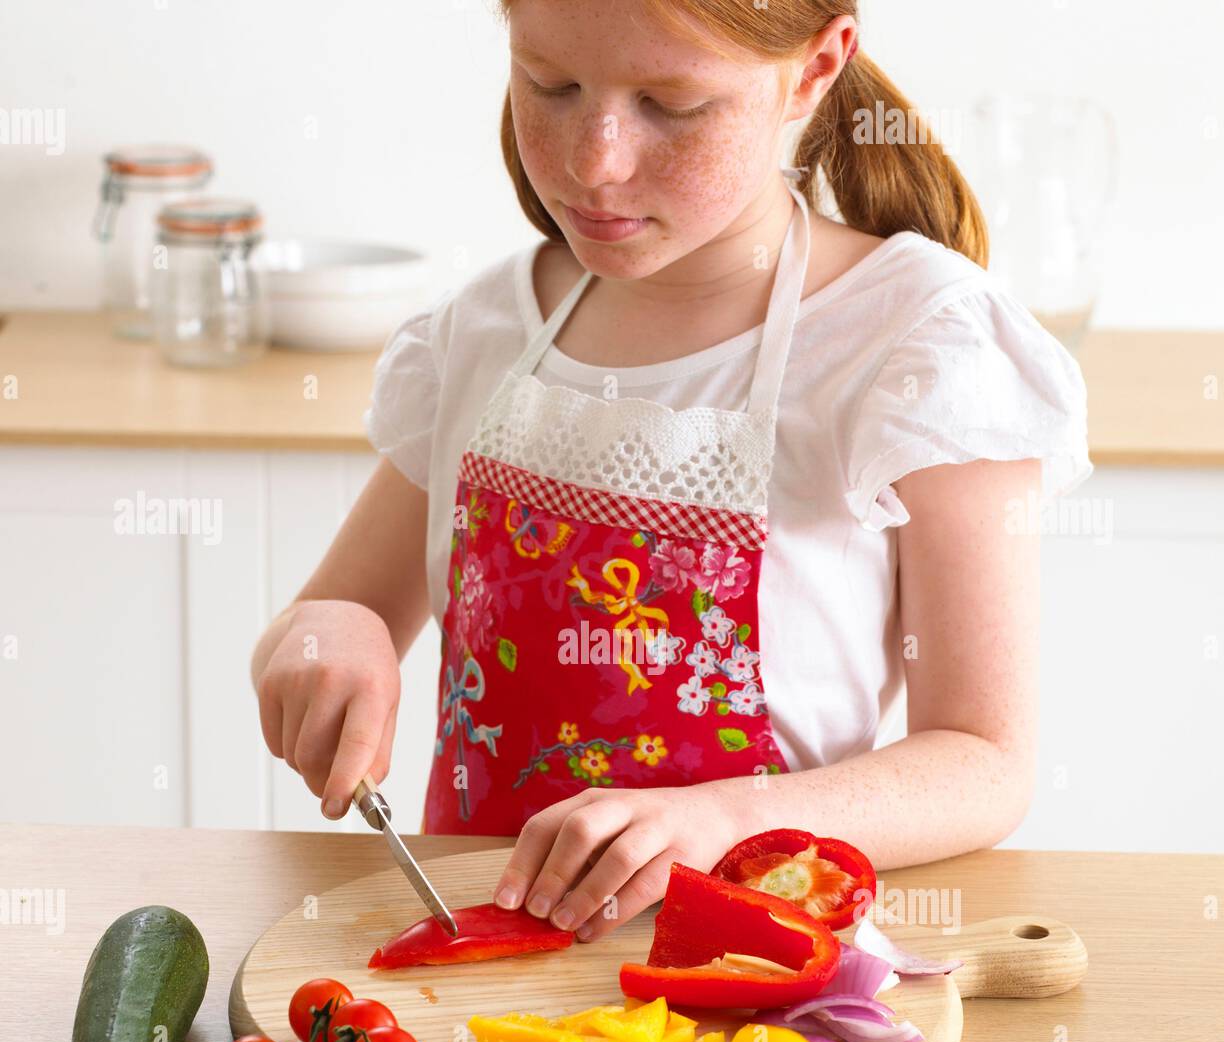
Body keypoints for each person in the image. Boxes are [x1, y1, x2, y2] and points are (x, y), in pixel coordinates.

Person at [250, 0, 1093, 943]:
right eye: (551, 85)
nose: (594, 158)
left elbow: (982, 760)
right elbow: (334, 613)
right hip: (478, 978)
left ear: (814, 71)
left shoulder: (917, 344)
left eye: (672, 103)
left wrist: (723, 822)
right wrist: (327, 635)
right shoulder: (482, 334)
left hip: (747, 985)